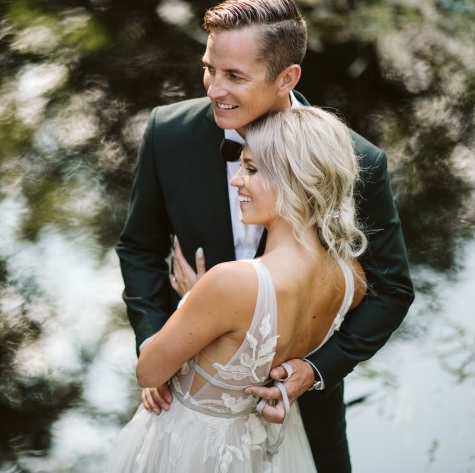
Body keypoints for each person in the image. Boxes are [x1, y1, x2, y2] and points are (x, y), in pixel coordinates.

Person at [115, 0, 414, 471]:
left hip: (303, 406)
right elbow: (137, 247)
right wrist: (157, 347)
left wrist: (315, 372)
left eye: (234, 76)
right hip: (193, 393)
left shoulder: (355, 161)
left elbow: (391, 290)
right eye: (209, 68)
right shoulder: (168, 133)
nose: (214, 89)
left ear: (286, 77)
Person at [108, 107, 368, 472]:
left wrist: (192, 299)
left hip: (193, 454)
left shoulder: (228, 283)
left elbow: (149, 372)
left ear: (294, 180)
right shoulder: (350, 278)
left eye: (251, 169)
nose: (236, 181)